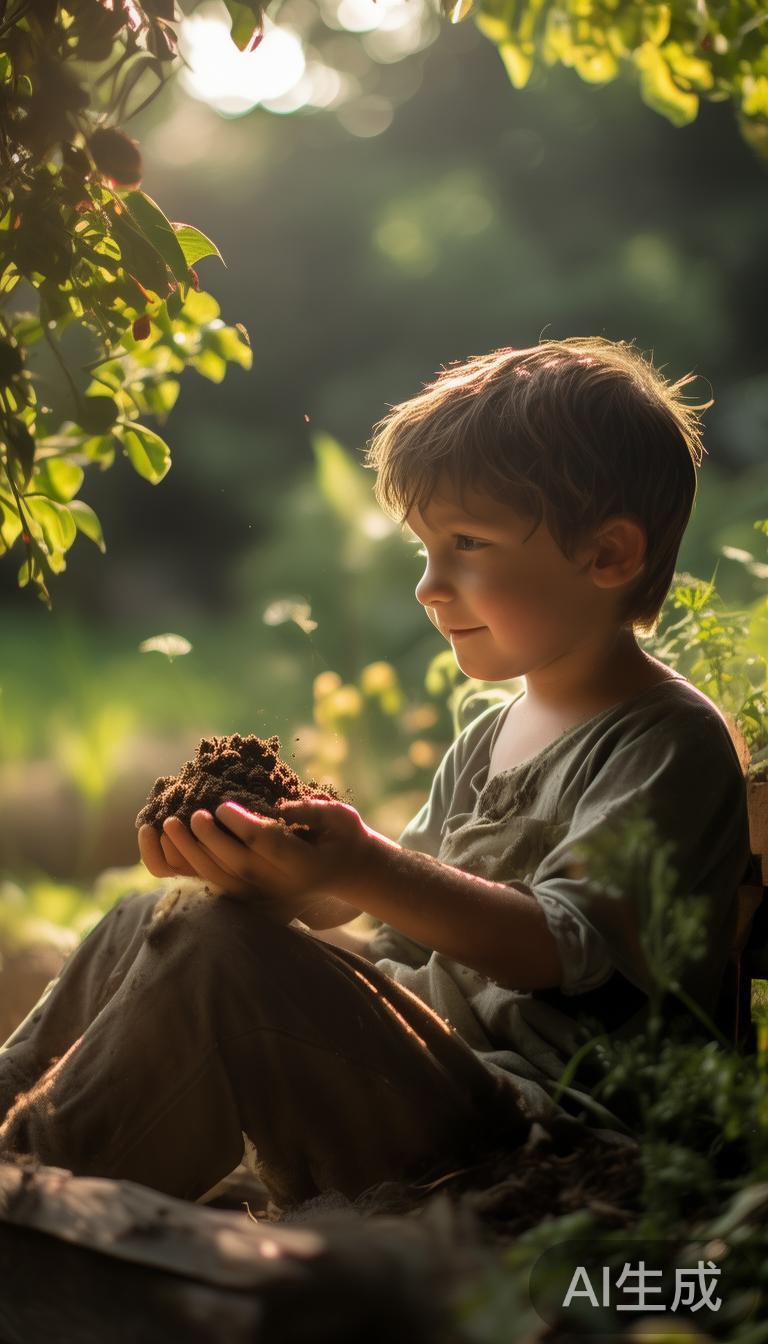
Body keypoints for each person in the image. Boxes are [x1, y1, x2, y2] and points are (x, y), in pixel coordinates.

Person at [0, 336, 752, 1208]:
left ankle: (25, 1201)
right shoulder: (488, 736)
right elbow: (399, 936)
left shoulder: (666, 743)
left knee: (211, 958)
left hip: (537, 1128)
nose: (430, 586)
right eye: (426, 549)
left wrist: (364, 865)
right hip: (428, 1072)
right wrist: (284, 885)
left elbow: (555, 947)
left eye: (467, 542)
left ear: (609, 555)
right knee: (161, 917)